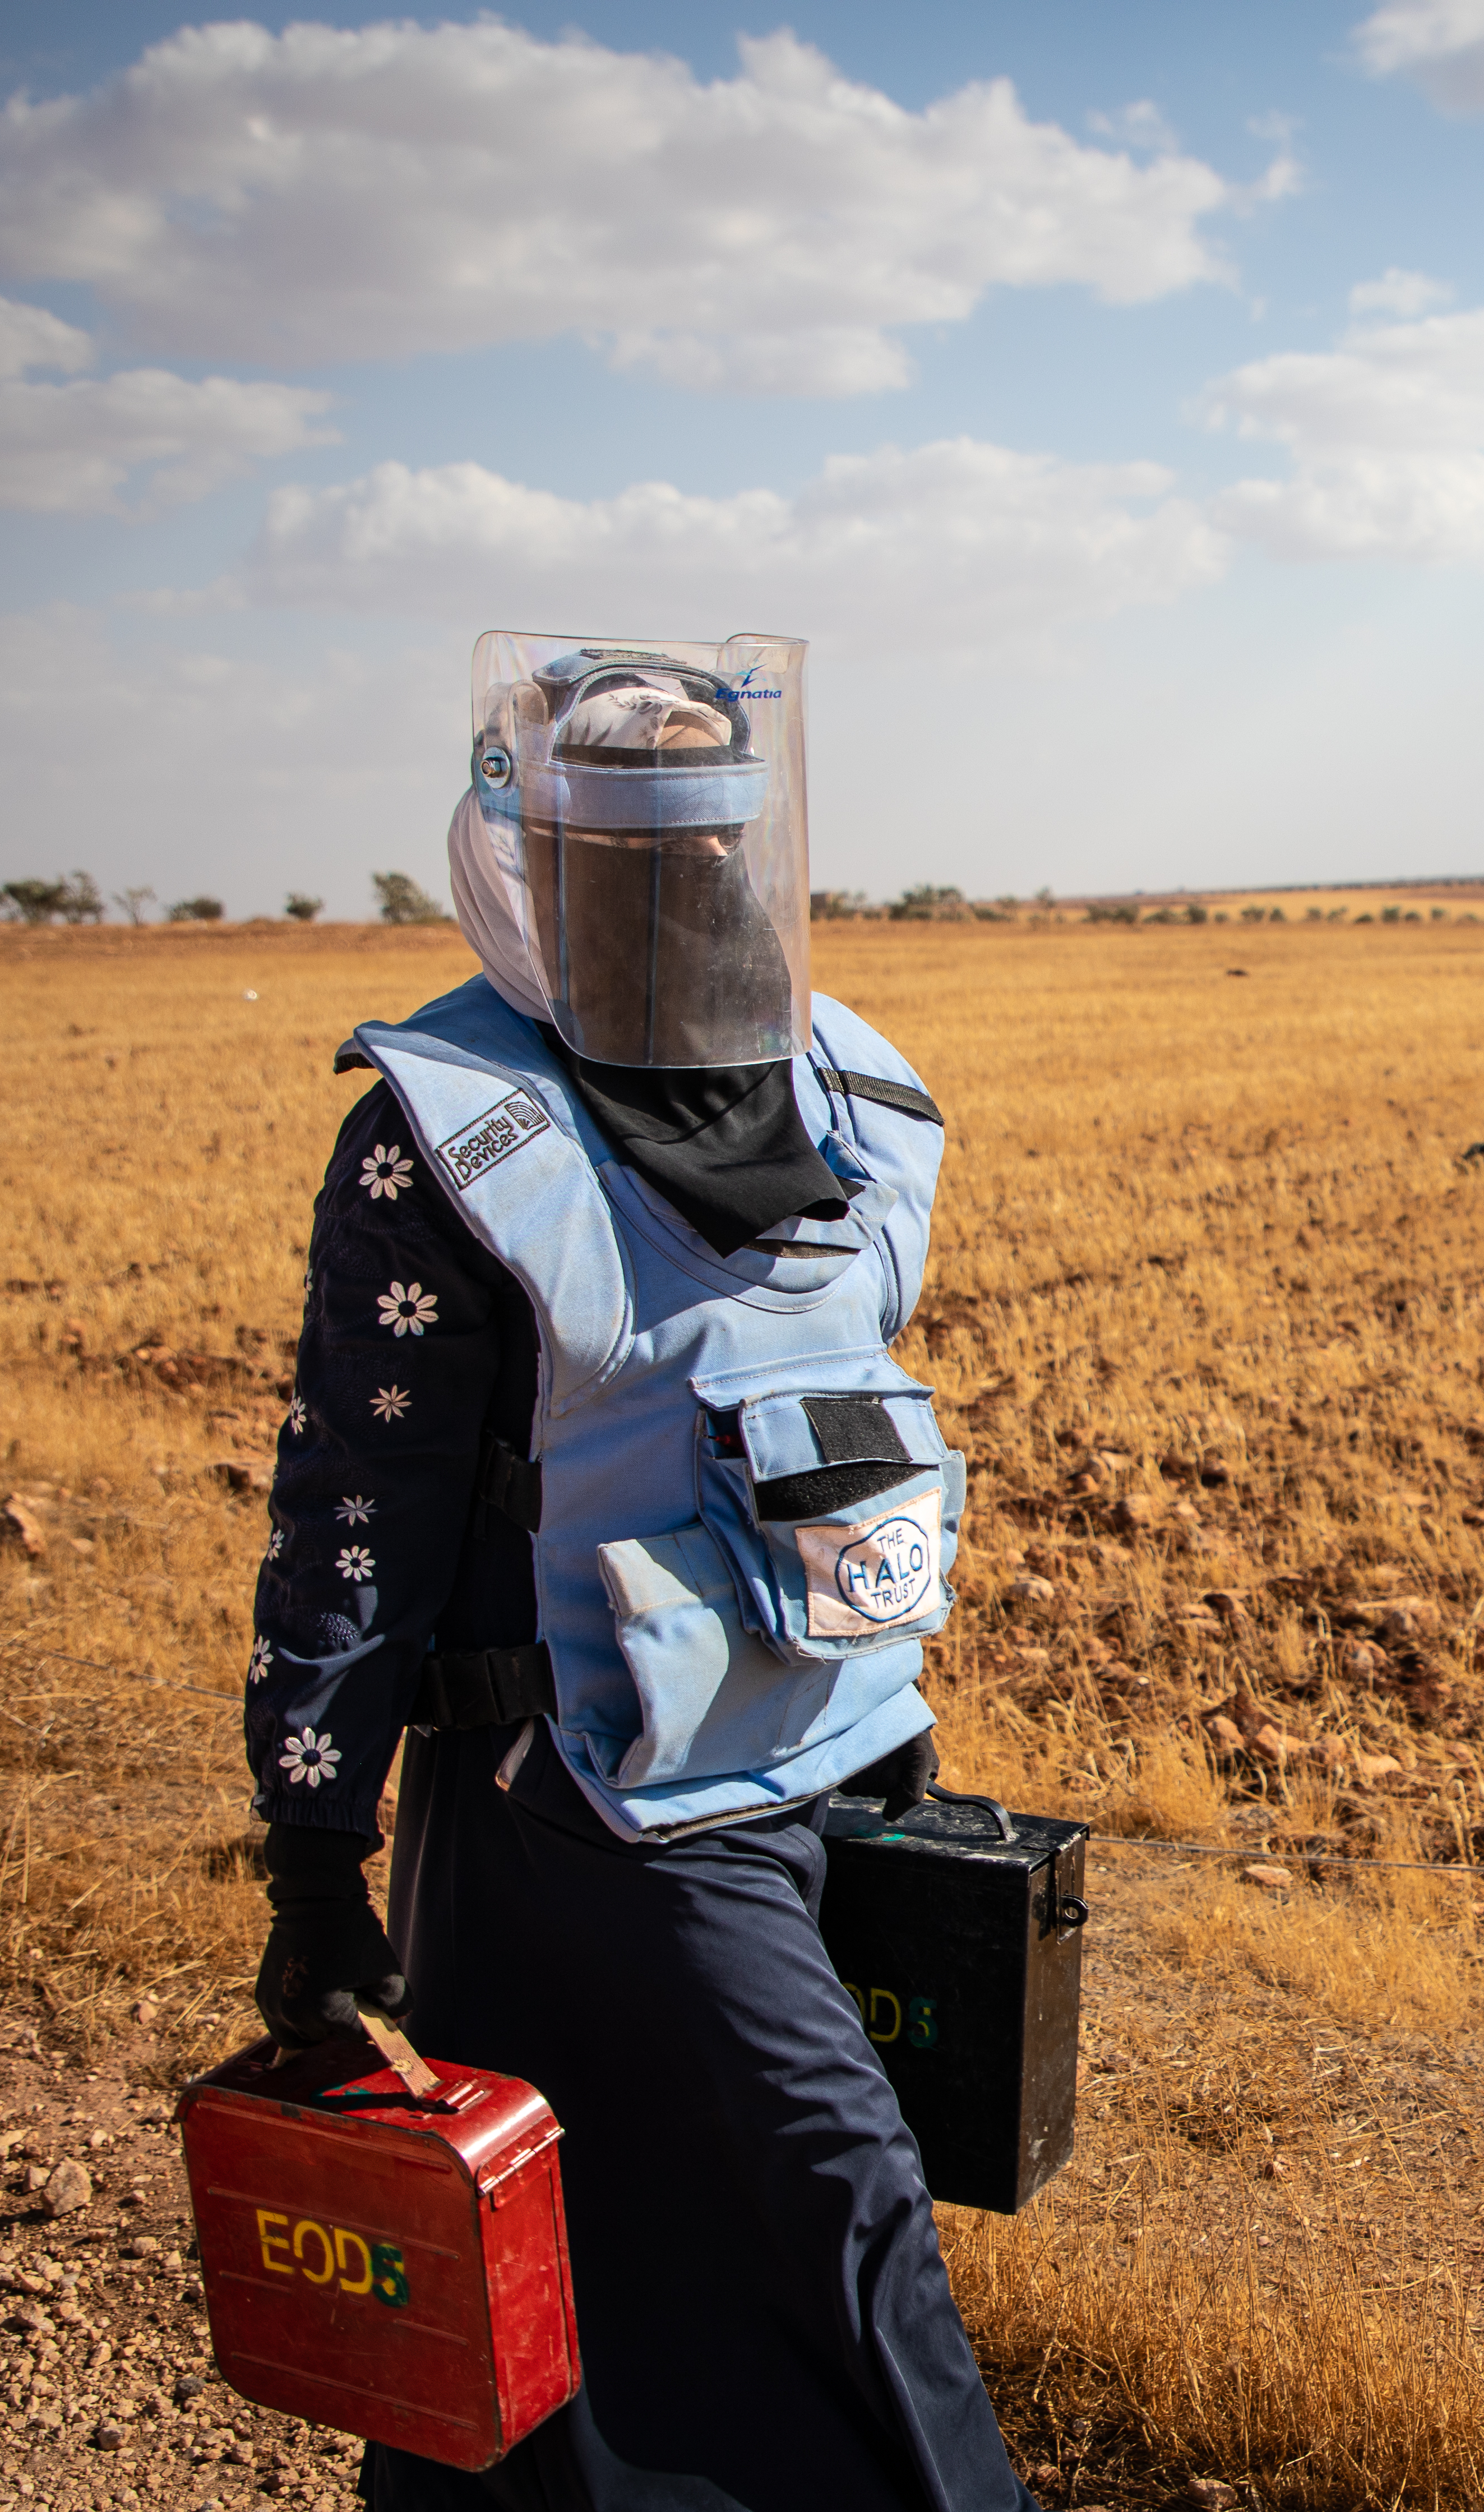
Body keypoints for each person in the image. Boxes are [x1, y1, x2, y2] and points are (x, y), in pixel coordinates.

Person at [239, 631, 1027, 2511]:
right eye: (638, 845)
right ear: (543, 857)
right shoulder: (445, 1131)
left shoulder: (853, 1092)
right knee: (842, 2204)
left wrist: (879, 1710)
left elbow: (827, 1419)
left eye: (712, 839)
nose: (687, 879)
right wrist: (312, 1852)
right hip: (583, 1809)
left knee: (636, 2261)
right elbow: (358, 1512)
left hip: (822, 1764)